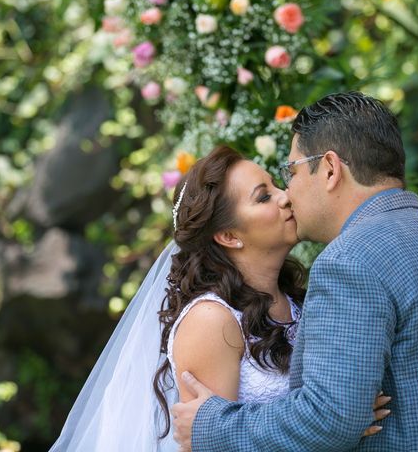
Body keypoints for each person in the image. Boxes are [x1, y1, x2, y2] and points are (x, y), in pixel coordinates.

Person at [172, 91, 418, 451]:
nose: (288, 192)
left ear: (330, 169)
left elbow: (328, 418)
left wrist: (213, 426)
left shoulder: (351, 260)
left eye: (291, 172)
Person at [49, 145, 389, 451]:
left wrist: (340, 412)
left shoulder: (300, 300)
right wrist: (337, 426)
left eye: (275, 185)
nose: (285, 196)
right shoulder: (213, 321)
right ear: (228, 236)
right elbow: (211, 443)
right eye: (263, 197)